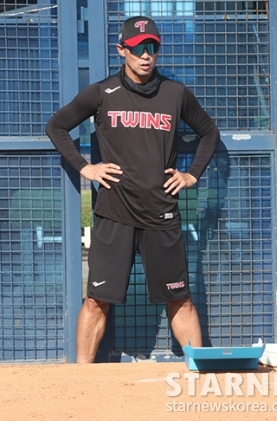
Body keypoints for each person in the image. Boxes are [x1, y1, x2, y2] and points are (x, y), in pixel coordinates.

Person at [46, 16, 220, 363]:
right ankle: (81, 382)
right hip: (115, 214)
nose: (146, 55)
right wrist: (85, 167)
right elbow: (57, 126)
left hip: (162, 213)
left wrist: (192, 175)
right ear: (121, 50)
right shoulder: (101, 92)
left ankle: (199, 373)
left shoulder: (175, 94)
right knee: (96, 300)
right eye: (138, 48)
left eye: (152, 47)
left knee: (180, 299)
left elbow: (209, 133)